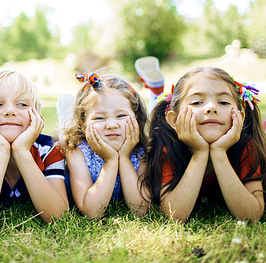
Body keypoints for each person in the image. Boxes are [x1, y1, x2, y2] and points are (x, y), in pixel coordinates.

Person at [142, 67, 266, 222]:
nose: (211, 108)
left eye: (223, 102)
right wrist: (199, 152)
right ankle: (155, 90)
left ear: (239, 117)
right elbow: (175, 215)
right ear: (174, 120)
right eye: (197, 102)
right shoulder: (169, 146)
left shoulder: (246, 146)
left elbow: (251, 215)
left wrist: (219, 152)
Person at [0, 69, 68, 232]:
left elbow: (58, 216)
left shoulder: (49, 150)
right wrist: (1, 153)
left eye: (22, 104)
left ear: (37, 118)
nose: (10, 111)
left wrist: (22, 151)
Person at [60, 72, 149, 218]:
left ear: (136, 117)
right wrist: (111, 161)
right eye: (99, 118)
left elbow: (140, 210)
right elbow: (91, 212)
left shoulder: (141, 152)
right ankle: (64, 120)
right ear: (83, 123)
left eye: (121, 116)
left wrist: (124, 157)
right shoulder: (77, 152)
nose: (112, 125)